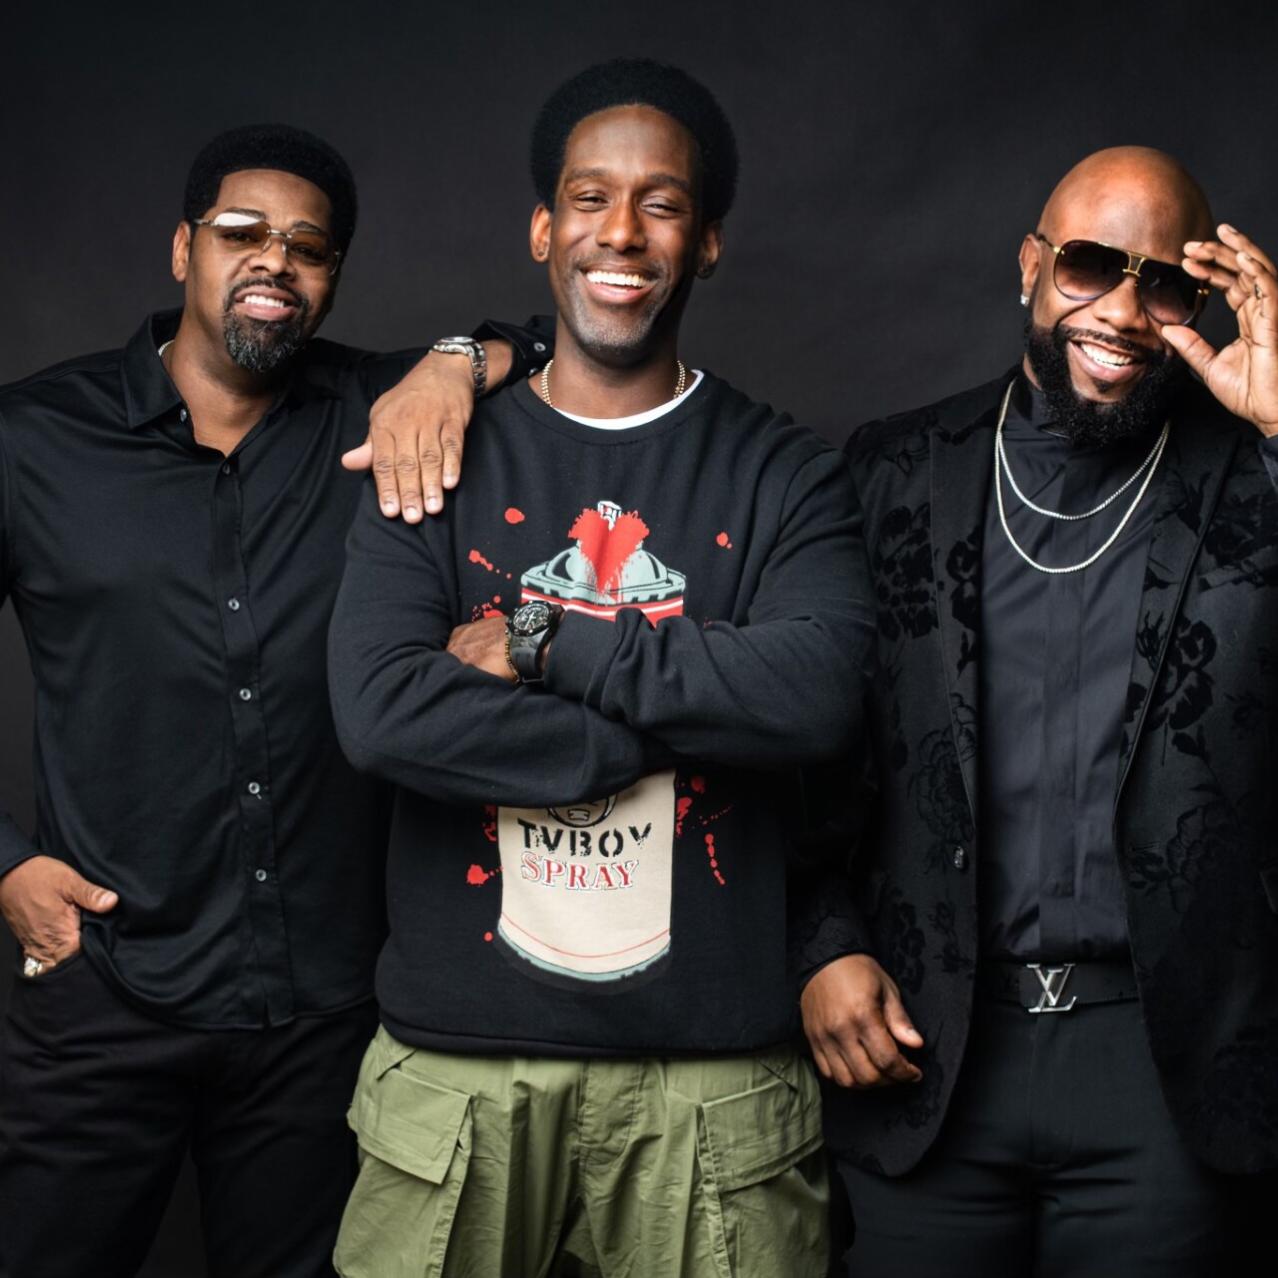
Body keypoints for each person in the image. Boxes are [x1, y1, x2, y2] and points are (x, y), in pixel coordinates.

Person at [326, 58, 874, 1278]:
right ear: (542, 228)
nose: (620, 232)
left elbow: (817, 691)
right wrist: (676, 717)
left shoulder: (786, 471)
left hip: (715, 1077)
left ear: (709, 243)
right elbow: (379, 713)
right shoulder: (436, 446)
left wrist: (540, 641)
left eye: (662, 203)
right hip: (457, 1064)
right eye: (588, 198)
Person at [0, 123, 538, 1278]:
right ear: (185, 246)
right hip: (106, 987)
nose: (274, 264)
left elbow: (542, 345)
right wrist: (2, 861)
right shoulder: (33, 439)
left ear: (332, 276)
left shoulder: (372, 411)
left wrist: (451, 361)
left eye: (309, 247)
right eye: (243, 233)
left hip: (324, 1007)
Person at [794, 146, 1278, 1276]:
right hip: (929, 1057)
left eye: (1164, 284)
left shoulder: (1254, 477)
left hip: (1171, 1062)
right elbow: (814, 749)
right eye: (1091, 268)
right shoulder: (897, 467)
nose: (1122, 310)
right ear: (1031, 267)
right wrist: (822, 946)